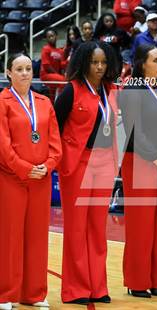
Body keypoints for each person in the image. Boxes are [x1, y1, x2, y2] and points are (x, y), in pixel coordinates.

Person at [54, 42, 119, 305]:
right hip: (78, 163)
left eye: (103, 62)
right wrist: (59, 159)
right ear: (83, 63)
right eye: (94, 62)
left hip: (104, 162)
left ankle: (98, 287)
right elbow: (54, 127)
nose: (100, 67)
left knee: (97, 227)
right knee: (77, 229)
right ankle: (75, 289)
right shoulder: (71, 90)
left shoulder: (111, 90)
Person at [119, 43, 157, 298]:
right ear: (142, 63)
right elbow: (135, 132)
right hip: (141, 163)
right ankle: (137, 281)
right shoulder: (131, 90)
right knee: (141, 224)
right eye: (156, 60)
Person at [0, 53, 62, 310]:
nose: (25, 73)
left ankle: (34, 292)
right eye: (19, 69)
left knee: (37, 236)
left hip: (41, 179)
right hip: (11, 178)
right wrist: (25, 168)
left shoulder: (45, 101)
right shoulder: (2, 102)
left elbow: (55, 143)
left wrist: (46, 167)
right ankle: (6, 293)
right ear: (8, 73)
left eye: (28, 68)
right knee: (10, 237)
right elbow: (2, 144)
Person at [40, 28, 67, 101]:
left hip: (55, 75)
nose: (51, 38)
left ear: (56, 36)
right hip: (46, 75)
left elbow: (62, 65)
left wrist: (68, 60)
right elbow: (46, 66)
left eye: (52, 36)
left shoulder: (60, 51)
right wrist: (58, 75)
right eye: (49, 37)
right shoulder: (46, 48)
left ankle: (53, 107)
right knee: (63, 81)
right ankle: (60, 101)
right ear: (46, 39)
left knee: (51, 97)